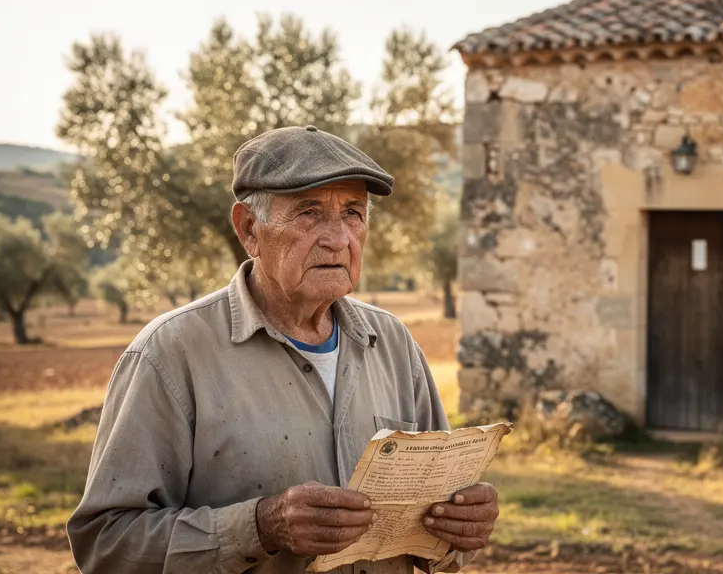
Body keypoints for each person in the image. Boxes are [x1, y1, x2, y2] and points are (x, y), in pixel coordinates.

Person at [67, 125, 499, 573]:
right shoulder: (170, 354)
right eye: (308, 212)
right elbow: (106, 543)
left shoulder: (393, 344)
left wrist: (460, 529)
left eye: (353, 212)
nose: (338, 238)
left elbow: (441, 528)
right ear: (249, 229)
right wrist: (261, 526)